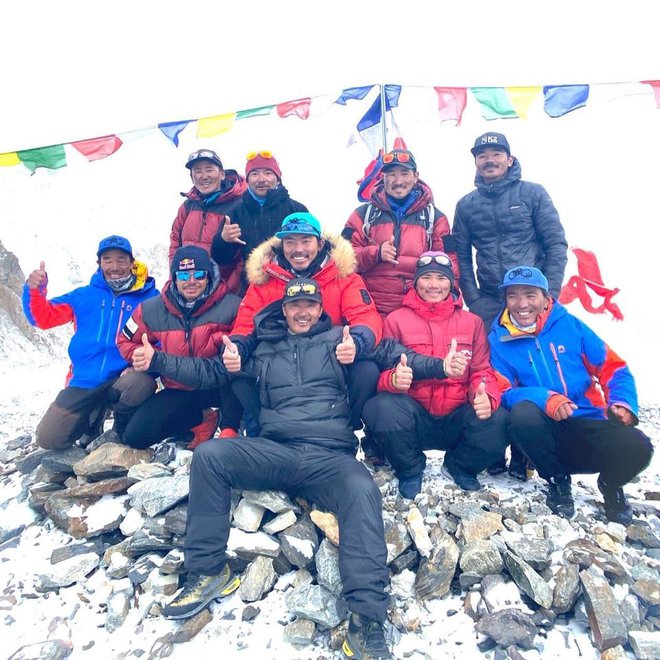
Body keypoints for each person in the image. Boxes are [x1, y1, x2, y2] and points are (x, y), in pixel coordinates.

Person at [133, 277, 394, 659]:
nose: (302, 312)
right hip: (275, 451)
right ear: (284, 310)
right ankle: (208, 571)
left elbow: (391, 357)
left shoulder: (342, 342)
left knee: (362, 490)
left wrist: (385, 356)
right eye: (294, 306)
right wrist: (157, 361)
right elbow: (208, 373)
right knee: (211, 456)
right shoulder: (263, 351)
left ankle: (367, 619)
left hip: (330, 457)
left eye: (310, 305)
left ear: (321, 309)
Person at [489, 266, 653, 523]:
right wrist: (545, 398)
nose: (522, 304)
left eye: (530, 295)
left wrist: (622, 403)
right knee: (523, 414)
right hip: (546, 432)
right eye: (513, 295)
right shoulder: (499, 339)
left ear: (545, 297)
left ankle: (611, 485)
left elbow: (614, 368)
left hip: (590, 420)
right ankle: (557, 481)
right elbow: (503, 391)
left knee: (639, 446)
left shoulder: (571, 326)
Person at [362, 252, 508, 497]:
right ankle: (409, 468)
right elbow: (383, 372)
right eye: (426, 277)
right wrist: (393, 380)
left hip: (456, 415)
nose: (433, 285)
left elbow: (481, 370)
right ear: (416, 282)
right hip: (415, 417)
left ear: (451, 283)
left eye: (440, 278)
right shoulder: (396, 320)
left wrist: (485, 395)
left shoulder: (472, 322)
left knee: (499, 418)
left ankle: (459, 467)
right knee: (381, 407)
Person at [231, 211, 383, 430]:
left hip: (328, 361)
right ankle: (265, 427)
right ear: (282, 246)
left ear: (320, 244)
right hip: (281, 361)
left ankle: (345, 427)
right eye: (290, 242)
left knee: (367, 370)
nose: (298, 249)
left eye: (306, 241)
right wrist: (237, 348)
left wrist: (356, 343)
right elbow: (246, 323)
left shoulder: (343, 276)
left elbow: (366, 315)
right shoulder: (264, 281)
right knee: (237, 371)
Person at [22, 235, 159, 449]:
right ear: (99, 263)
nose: (115, 266)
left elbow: (166, 337)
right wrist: (35, 291)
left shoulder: (150, 299)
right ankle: (92, 421)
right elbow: (42, 318)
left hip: (122, 379)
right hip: (83, 381)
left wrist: (140, 365)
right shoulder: (83, 296)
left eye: (121, 260)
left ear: (132, 263)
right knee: (49, 439)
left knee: (141, 384)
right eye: (108, 259)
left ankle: (120, 433)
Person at [117, 246, 242, 448]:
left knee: (239, 383)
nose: (191, 281)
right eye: (183, 274)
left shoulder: (233, 306)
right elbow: (125, 340)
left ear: (209, 276)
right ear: (174, 277)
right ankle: (203, 419)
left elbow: (238, 355)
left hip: (222, 387)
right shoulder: (151, 309)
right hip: (179, 387)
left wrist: (160, 360)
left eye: (199, 274)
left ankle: (230, 428)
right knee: (135, 437)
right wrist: (142, 356)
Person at [453, 132, 568, 328]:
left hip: (532, 298)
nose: (489, 160)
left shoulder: (533, 193)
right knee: (495, 358)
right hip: (489, 303)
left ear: (510, 159)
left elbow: (556, 246)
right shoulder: (465, 205)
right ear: (476, 163)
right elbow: (461, 257)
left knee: (539, 356)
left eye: (497, 154)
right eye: (482, 156)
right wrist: (474, 300)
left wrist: (548, 294)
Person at [343, 148, 458, 317]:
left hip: (416, 308)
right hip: (370, 307)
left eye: (404, 173)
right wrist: (375, 253)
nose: (398, 181)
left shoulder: (436, 218)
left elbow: (450, 262)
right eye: (391, 174)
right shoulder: (362, 215)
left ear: (416, 176)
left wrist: (453, 298)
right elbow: (342, 260)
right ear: (382, 177)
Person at [211, 150, 308, 294]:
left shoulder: (296, 210)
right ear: (247, 180)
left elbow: (311, 249)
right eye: (254, 174)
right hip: (252, 288)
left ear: (278, 178)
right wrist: (223, 240)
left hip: (292, 287)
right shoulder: (235, 213)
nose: (261, 179)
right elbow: (221, 260)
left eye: (268, 173)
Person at [168, 148, 246, 270]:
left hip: (225, 285)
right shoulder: (187, 207)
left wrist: (225, 287)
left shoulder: (239, 206)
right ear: (192, 177)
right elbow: (175, 243)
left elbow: (244, 257)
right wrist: (175, 276)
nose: (204, 176)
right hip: (189, 283)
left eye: (209, 170)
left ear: (222, 174)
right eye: (197, 171)